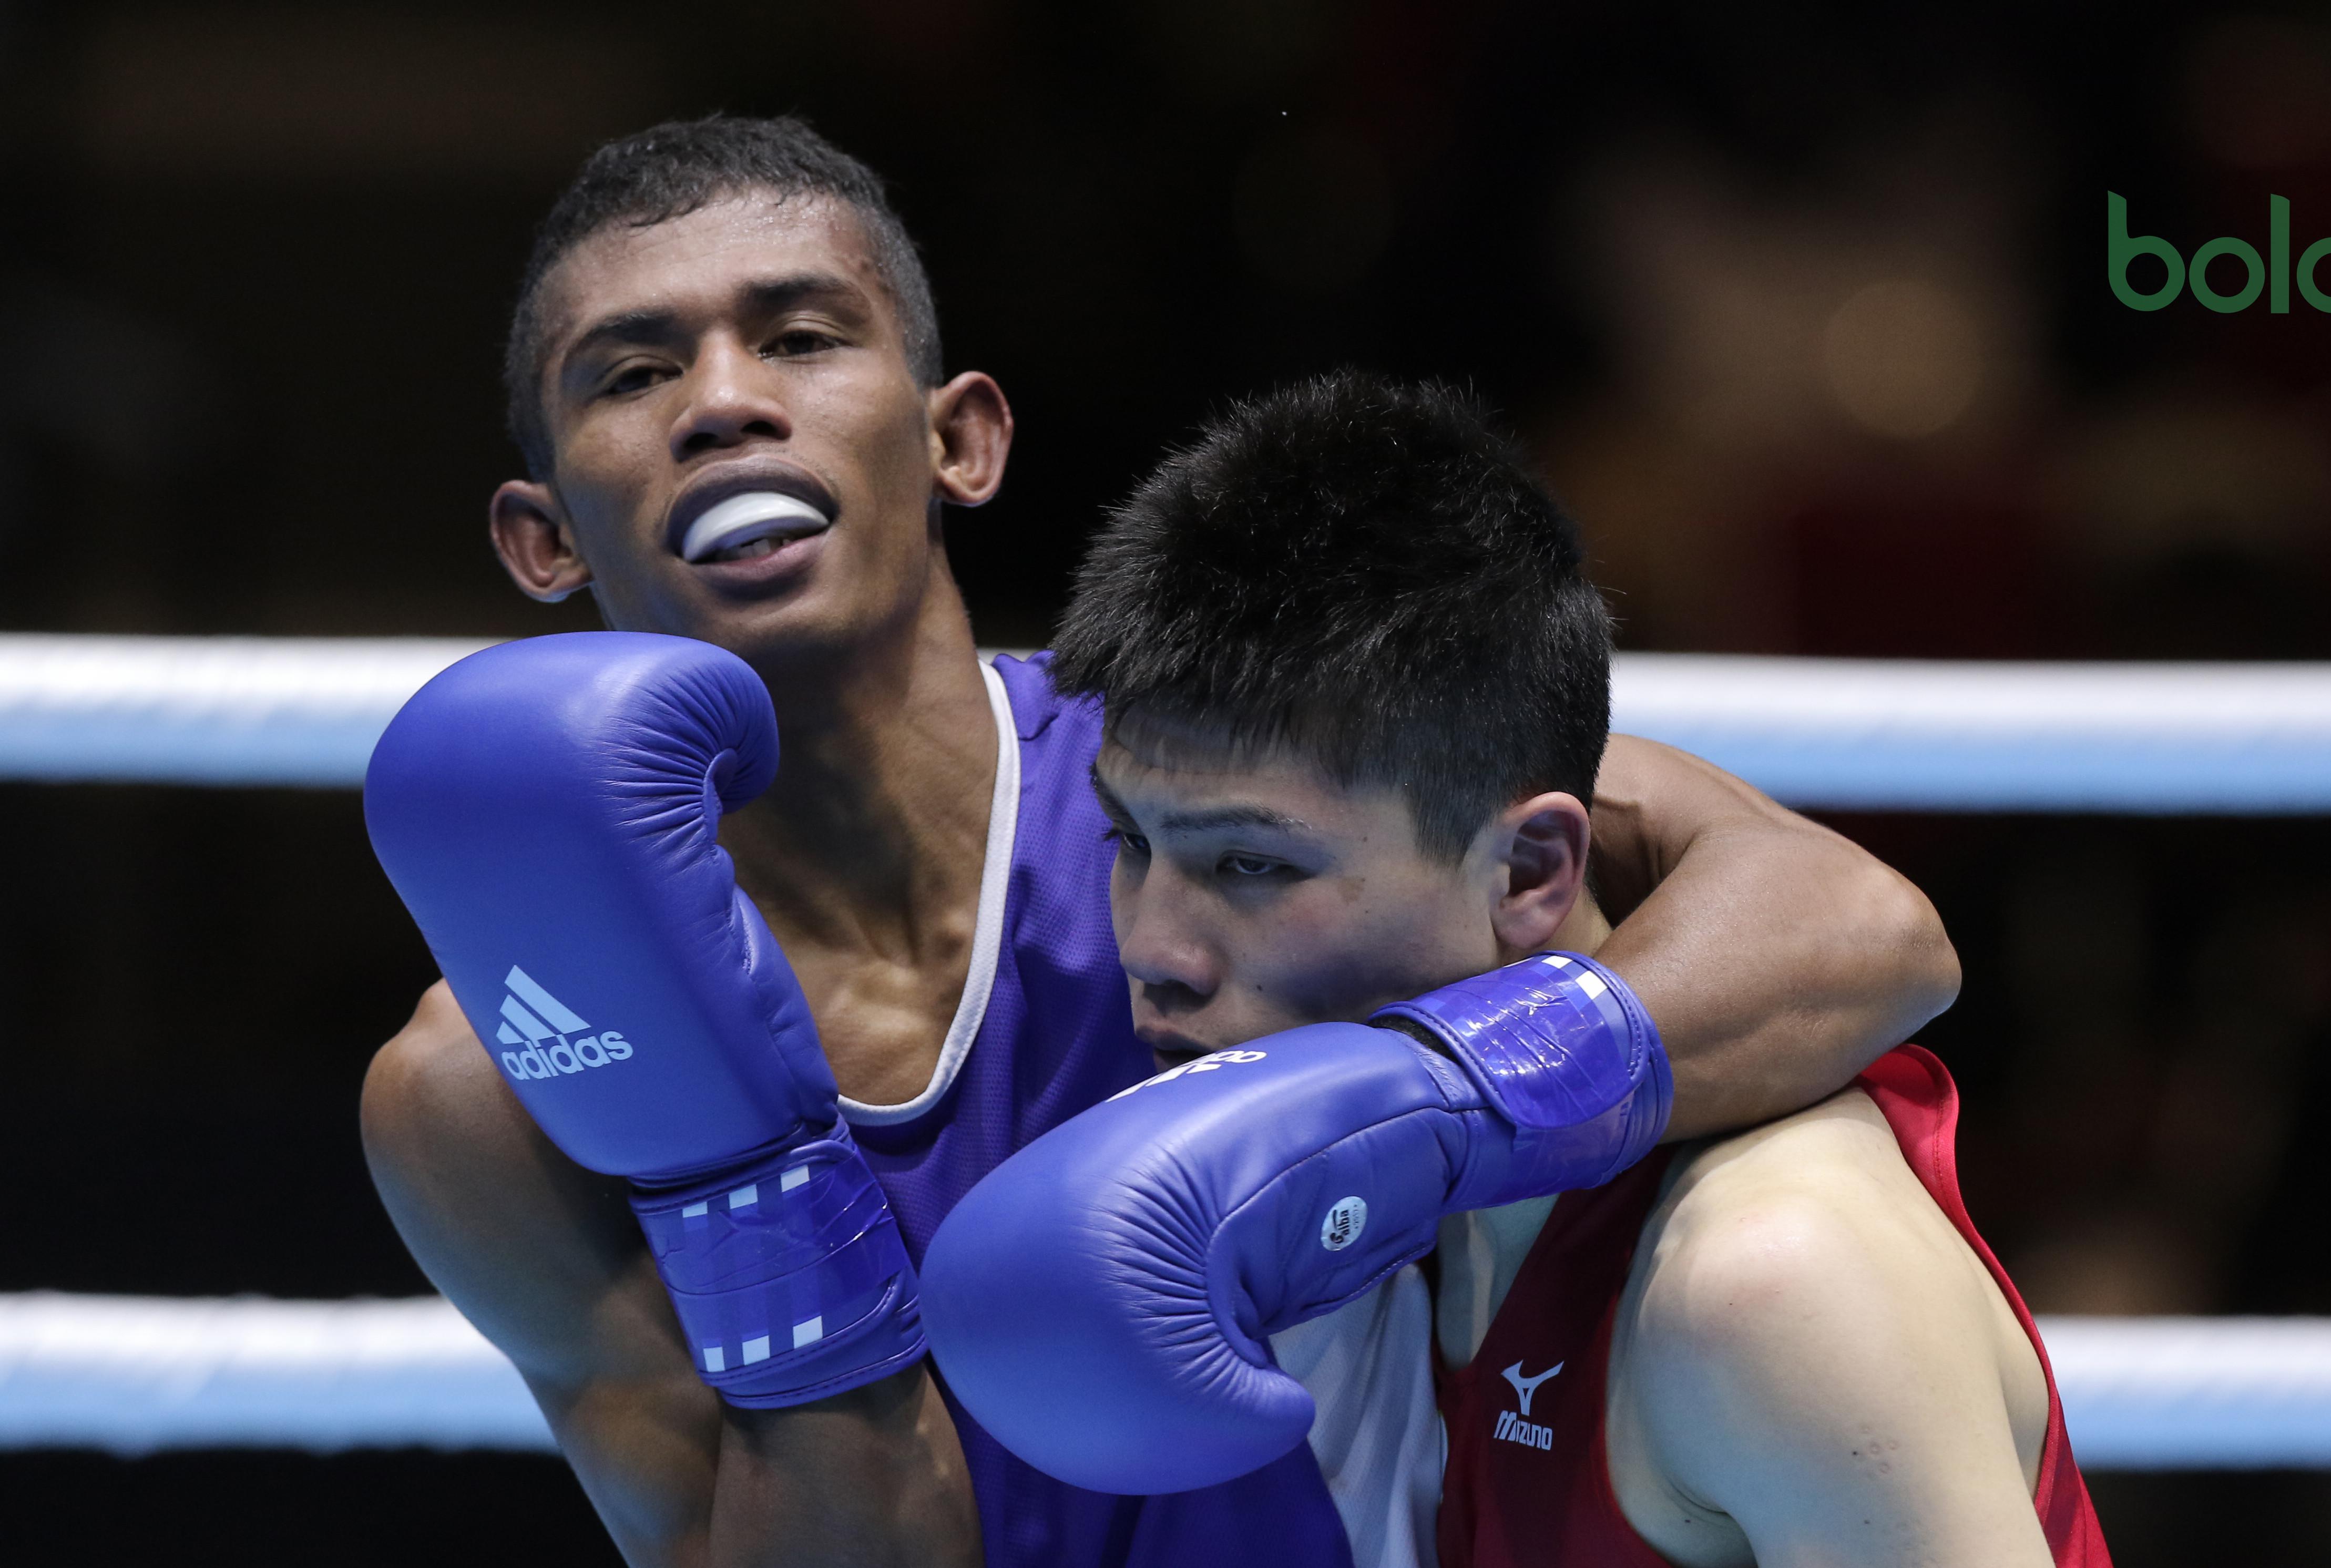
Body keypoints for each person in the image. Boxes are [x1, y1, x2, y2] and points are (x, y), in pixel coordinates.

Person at [355, 116, 1964, 1568]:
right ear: (543, 539)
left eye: (797, 336)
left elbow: (1858, 927)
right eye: (632, 374)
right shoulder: (495, 1085)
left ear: (959, 442)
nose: (722, 404)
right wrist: (749, 1188)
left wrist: (1404, 1102)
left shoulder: (1221, 769)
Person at [926, 371, 2107, 1566]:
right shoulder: (1415, 1213)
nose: (1152, 947)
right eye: (1130, 841)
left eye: (1250, 865)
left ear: (1530, 871)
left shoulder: (1765, 1282)